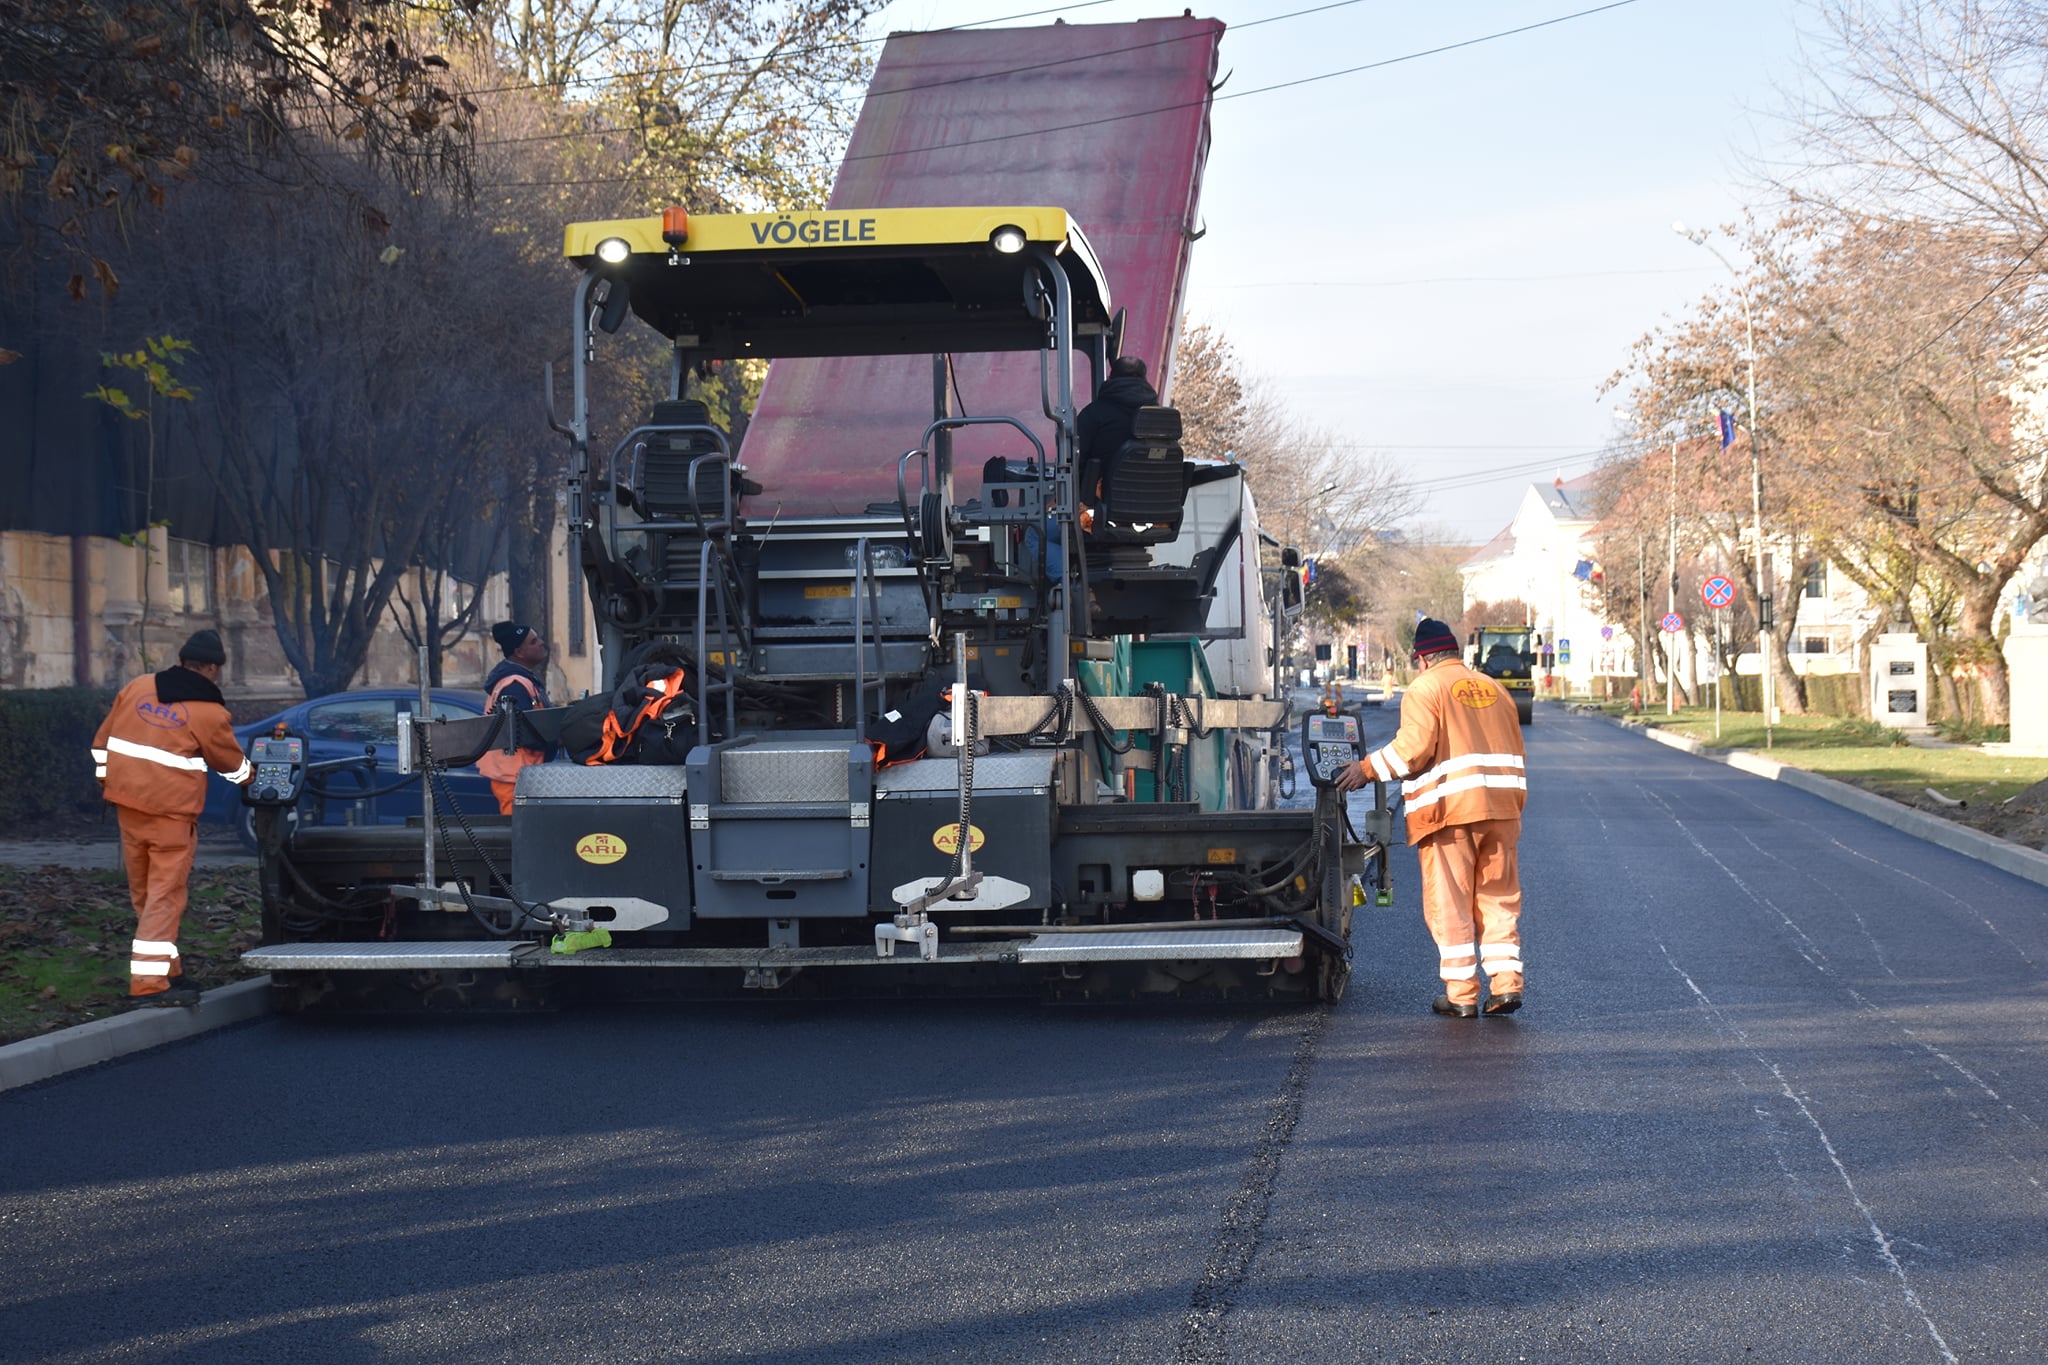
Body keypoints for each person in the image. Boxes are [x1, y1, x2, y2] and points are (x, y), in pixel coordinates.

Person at [1336, 617, 1528, 1018]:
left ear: (1422, 659)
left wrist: (1366, 769)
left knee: (1451, 903)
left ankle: (1461, 995)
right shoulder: (1495, 689)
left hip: (1451, 815)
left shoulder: (1426, 688)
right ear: (1455, 652)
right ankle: (1506, 985)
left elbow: (1412, 750)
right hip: (1503, 811)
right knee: (1498, 899)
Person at [90, 629, 252, 1006]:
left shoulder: (137, 687)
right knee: (165, 896)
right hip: (171, 817)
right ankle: (148, 985)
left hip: (128, 807)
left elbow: (102, 745)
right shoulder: (208, 711)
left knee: (146, 895)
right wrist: (252, 779)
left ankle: (167, 970)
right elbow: (230, 764)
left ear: (181, 660)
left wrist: (109, 783)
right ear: (211, 668)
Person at [481, 621, 552, 814]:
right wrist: (557, 738)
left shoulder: (517, 680)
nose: (541, 643)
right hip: (515, 776)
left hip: (518, 775)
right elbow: (523, 730)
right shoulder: (514, 685)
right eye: (533, 642)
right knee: (519, 837)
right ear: (519, 652)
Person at [1074, 354, 1159, 509]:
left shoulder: (1093, 414)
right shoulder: (1162, 419)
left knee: (1034, 532)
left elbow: (1074, 465)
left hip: (1100, 513)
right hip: (1157, 514)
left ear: (1110, 378)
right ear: (1144, 380)